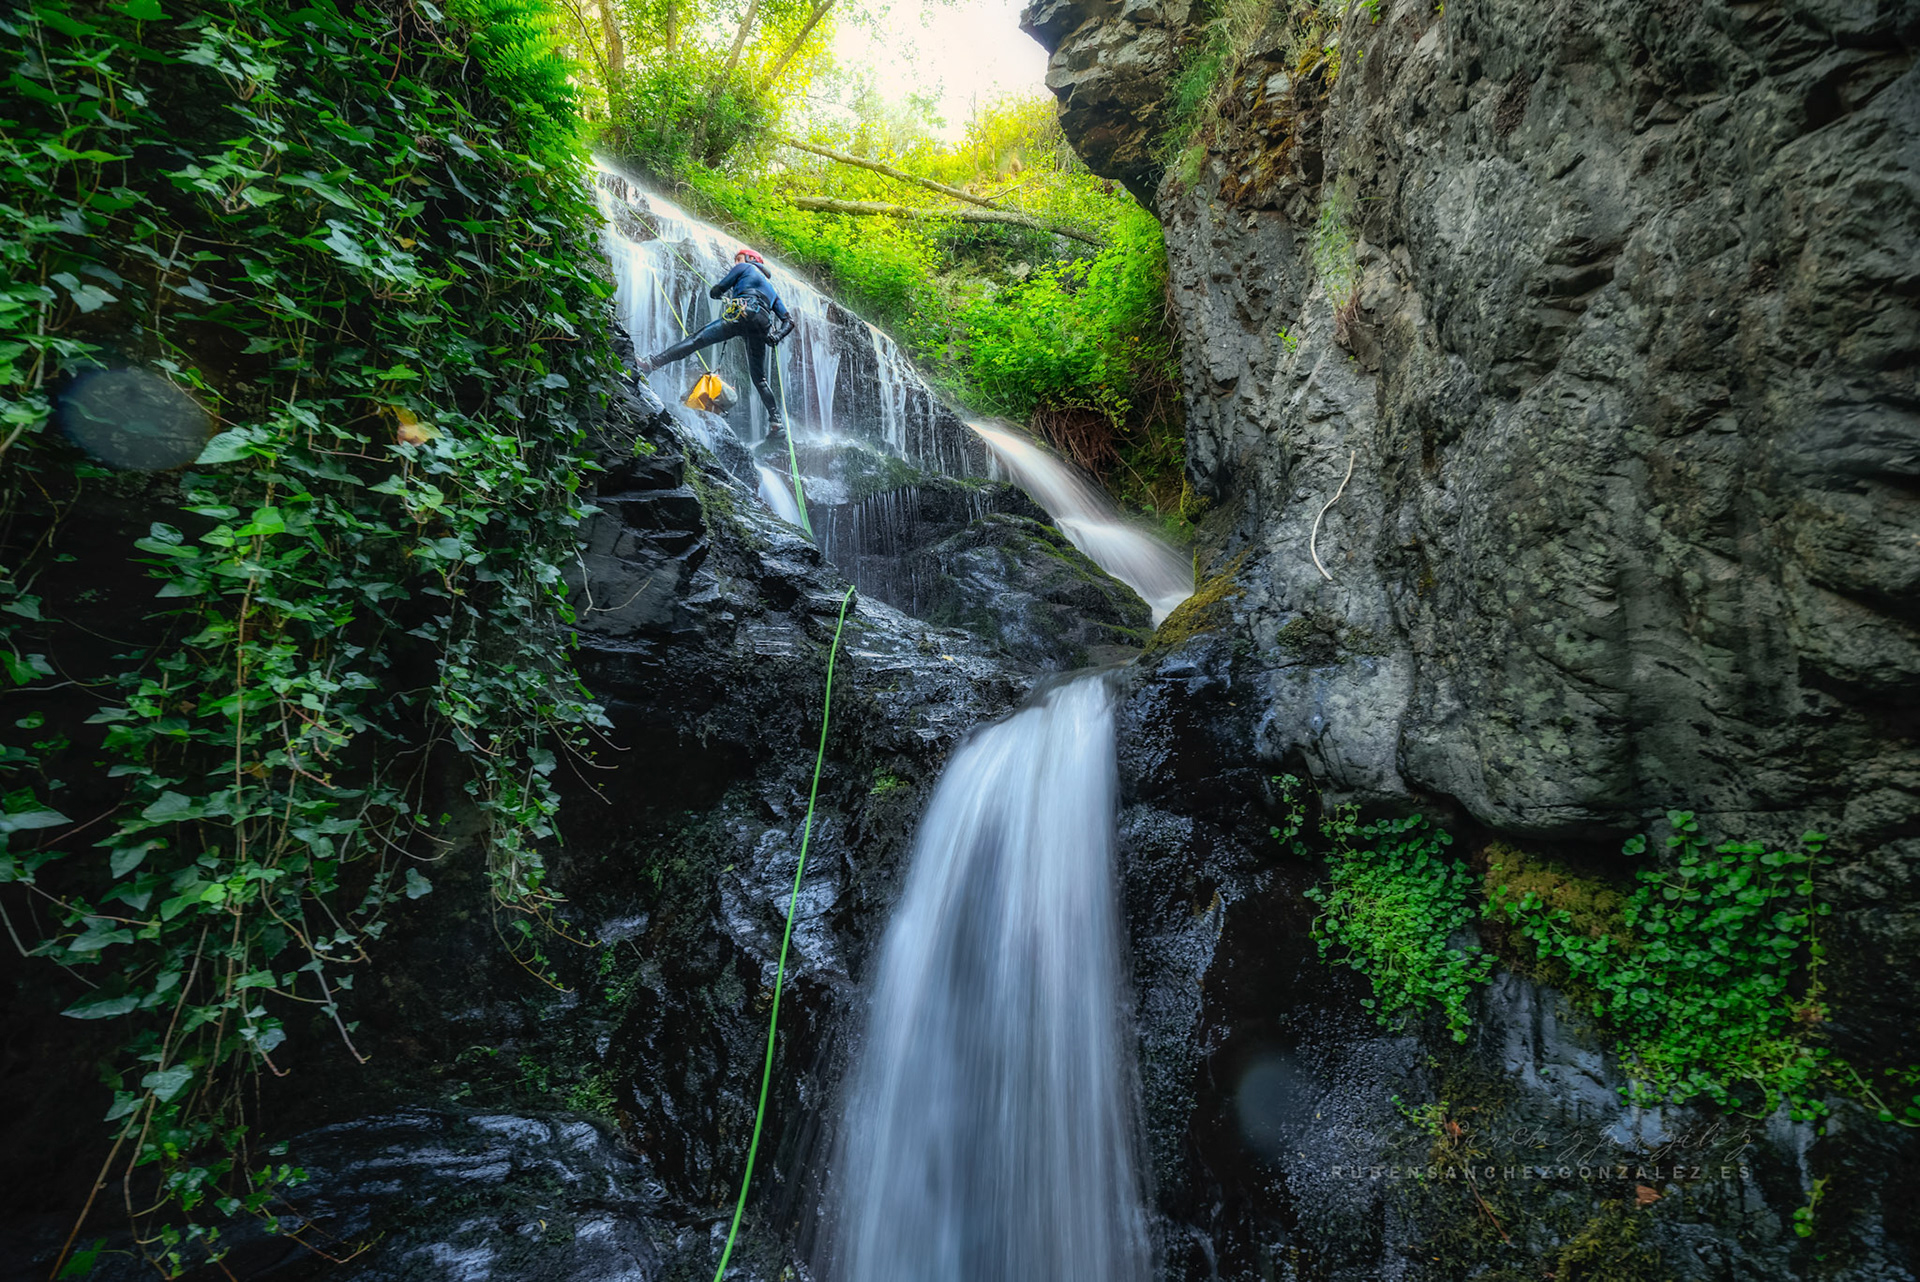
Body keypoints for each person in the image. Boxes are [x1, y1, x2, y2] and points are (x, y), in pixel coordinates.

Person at [638, 248, 797, 451]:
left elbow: (720, 288)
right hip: (762, 326)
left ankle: (651, 363)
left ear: (749, 259)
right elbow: (789, 321)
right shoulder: (773, 290)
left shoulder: (744, 268)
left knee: (696, 340)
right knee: (760, 379)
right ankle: (776, 422)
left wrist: (716, 293)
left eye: (738, 259)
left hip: (742, 313)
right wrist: (777, 336)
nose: (735, 263)